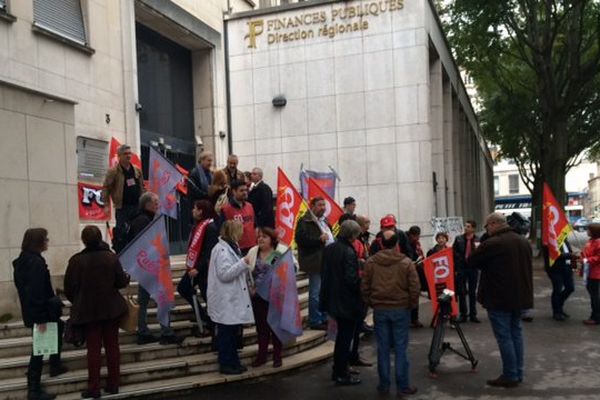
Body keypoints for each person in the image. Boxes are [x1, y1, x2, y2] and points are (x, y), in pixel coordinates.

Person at [63, 226, 130, 399]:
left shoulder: (76, 261)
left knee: (93, 350)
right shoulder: (110, 257)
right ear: (100, 238)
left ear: (84, 240)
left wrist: (78, 301)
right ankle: (113, 383)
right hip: (111, 309)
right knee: (112, 347)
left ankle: (94, 387)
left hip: (88, 311)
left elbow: (69, 288)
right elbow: (121, 282)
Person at [468, 213, 533, 388]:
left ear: (494, 224)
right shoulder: (522, 241)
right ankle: (517, 372)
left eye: (487, 226)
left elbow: (472, 261)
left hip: (499, 297)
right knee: (516, 334)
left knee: (505, 337)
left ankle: (510, 375)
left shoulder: (492, 243)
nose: (486, 229)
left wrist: (484, 240)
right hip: (520, 296)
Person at [361, 230, 420, 396]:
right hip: (401, 308)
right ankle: (403, 385)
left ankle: (384, 385)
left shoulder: (371, 262)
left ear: (381, 244)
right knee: (401, 348)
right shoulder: (406, 262)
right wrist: (411, 304)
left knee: (383, 348)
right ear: (397, 244)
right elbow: (414, 287)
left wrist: (371, 302)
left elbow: (365, 286)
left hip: (380, 309)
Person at [13, 228, 67, 400]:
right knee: (39, 347)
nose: (47, 241)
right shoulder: (35, 263)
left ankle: (55, 365)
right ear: (38, 242)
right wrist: (41, 318)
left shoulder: (24, 261)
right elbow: (36, 293)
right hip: (40, 311)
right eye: (45, 239)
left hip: (36, 310)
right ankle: (33, 388)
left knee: (58, 327)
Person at [129, 192, 184, 346]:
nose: (158, 205)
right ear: (147, 204)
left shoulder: (142, 219)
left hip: (145, 266)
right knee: (162, 299)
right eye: (155, 202)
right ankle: (165, 332)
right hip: (150, 266)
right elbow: (148, 245)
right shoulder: (144, 221)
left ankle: (143, 331)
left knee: (144, 300)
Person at [207, 220, 254, 375]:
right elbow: (224, 274)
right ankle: (226, 363)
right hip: (226, 299)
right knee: (226, 333)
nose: (242, 233)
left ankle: (233, 361)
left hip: (232, 298)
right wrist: (243, 263)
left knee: (232, 333)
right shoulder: (221, 250)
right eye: (239, 230)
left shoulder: (231, 247)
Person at [320, 220, 364, 386]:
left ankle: (339, 369)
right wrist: (362, 282)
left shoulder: (330, 248)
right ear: (353, 235)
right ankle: (341, 373)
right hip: (345, 301)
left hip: (332, 298)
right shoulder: (348, 251)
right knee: (345, 339)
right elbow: (351, 280)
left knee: (342, 338)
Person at [177, 200, 219, 337]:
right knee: (183, 288)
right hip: (195, 267)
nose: (192, 211)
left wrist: (198, 268)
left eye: (195, 208)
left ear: (201, 211)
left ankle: (213, 327)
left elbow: (209, 252)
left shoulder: (210, 227)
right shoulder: (198, 225)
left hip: (204, 270)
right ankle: (204, 317)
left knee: (209, 298)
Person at [247, 227, 288, 368]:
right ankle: (262, 356)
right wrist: (250, 287)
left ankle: (277, 356)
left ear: (272, 239)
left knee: (275, 327)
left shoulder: (278, 252)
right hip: (258, 296)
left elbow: (290, 269)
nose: (260, 239)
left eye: (264, 236)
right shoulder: (253, 252)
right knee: (261, 328)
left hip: (275, 296)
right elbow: (247, 272)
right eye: (259, 236)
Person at [295, 196, 334, 330]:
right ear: (312, 206)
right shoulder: (305, 221)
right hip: (315, 261)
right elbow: (300, 239)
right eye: (319, 205)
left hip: (326, 260)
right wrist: (319, 240)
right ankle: (315, 320)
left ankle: (323, 317)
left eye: (324, 205)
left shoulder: (324, 221)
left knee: (324, 291)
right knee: (315, 292)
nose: (322, 207)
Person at [102, 144, 145, 252]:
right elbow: (106, 188)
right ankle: (122, 253)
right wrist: (106, 204)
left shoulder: (137, 170)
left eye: (129, 153)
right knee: (122, 232)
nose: (128, 156)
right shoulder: (113, 171)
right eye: (125, 154)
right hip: (122, 207)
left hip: (136, 206)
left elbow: (142, 187)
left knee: (137, 231)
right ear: (119, 156)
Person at [453, 220, 481, 323]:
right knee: (462, 292)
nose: (466, 228)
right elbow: (454, 253)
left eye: (468, 226)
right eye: (465, 226)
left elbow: (480, 253)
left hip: (473, 268)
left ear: (473, 228)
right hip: (462, 268)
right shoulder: (459, 239)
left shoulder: (478, 239)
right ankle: (463, 314)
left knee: (472, 292)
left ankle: (473, 314)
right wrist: (456, 268)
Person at [219, 179, 257, 255]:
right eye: (241, 190)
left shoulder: (250, 206)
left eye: (246, 190)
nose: (245, 192)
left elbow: (255, 225)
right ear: (234, 191)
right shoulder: (226, 209)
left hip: (252, 246)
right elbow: (222, 231)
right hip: (236, 249)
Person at [543, 240, 575, 321]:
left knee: (570, 288)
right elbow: (555, 254)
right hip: (555, 269)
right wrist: (570, 255)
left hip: (567, 267)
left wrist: (572, 256)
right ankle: (556, 312)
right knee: (557, 289)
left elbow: (569, 251)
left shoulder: (565, 240)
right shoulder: (551, 240)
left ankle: (559, 306)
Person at [406, 226, 426, 328]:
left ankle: (414, 318)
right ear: (412, 235)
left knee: (415, 294)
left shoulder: (415, 244)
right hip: (407, 271)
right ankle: (409, 318)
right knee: (408, 296)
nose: (417, 239)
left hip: (415, 270)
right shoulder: (405, 242)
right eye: (416, 236)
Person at [582, 223, 600, 325]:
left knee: (595, 296)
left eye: (588, 230)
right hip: (589, 272)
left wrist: (586, 260)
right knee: (593, 295)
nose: (587, 231)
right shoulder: (591, 241)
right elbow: (587, 253)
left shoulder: (598, 242)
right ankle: (595, 315)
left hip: (595, 273)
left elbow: (598, 258)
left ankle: (596, 317)